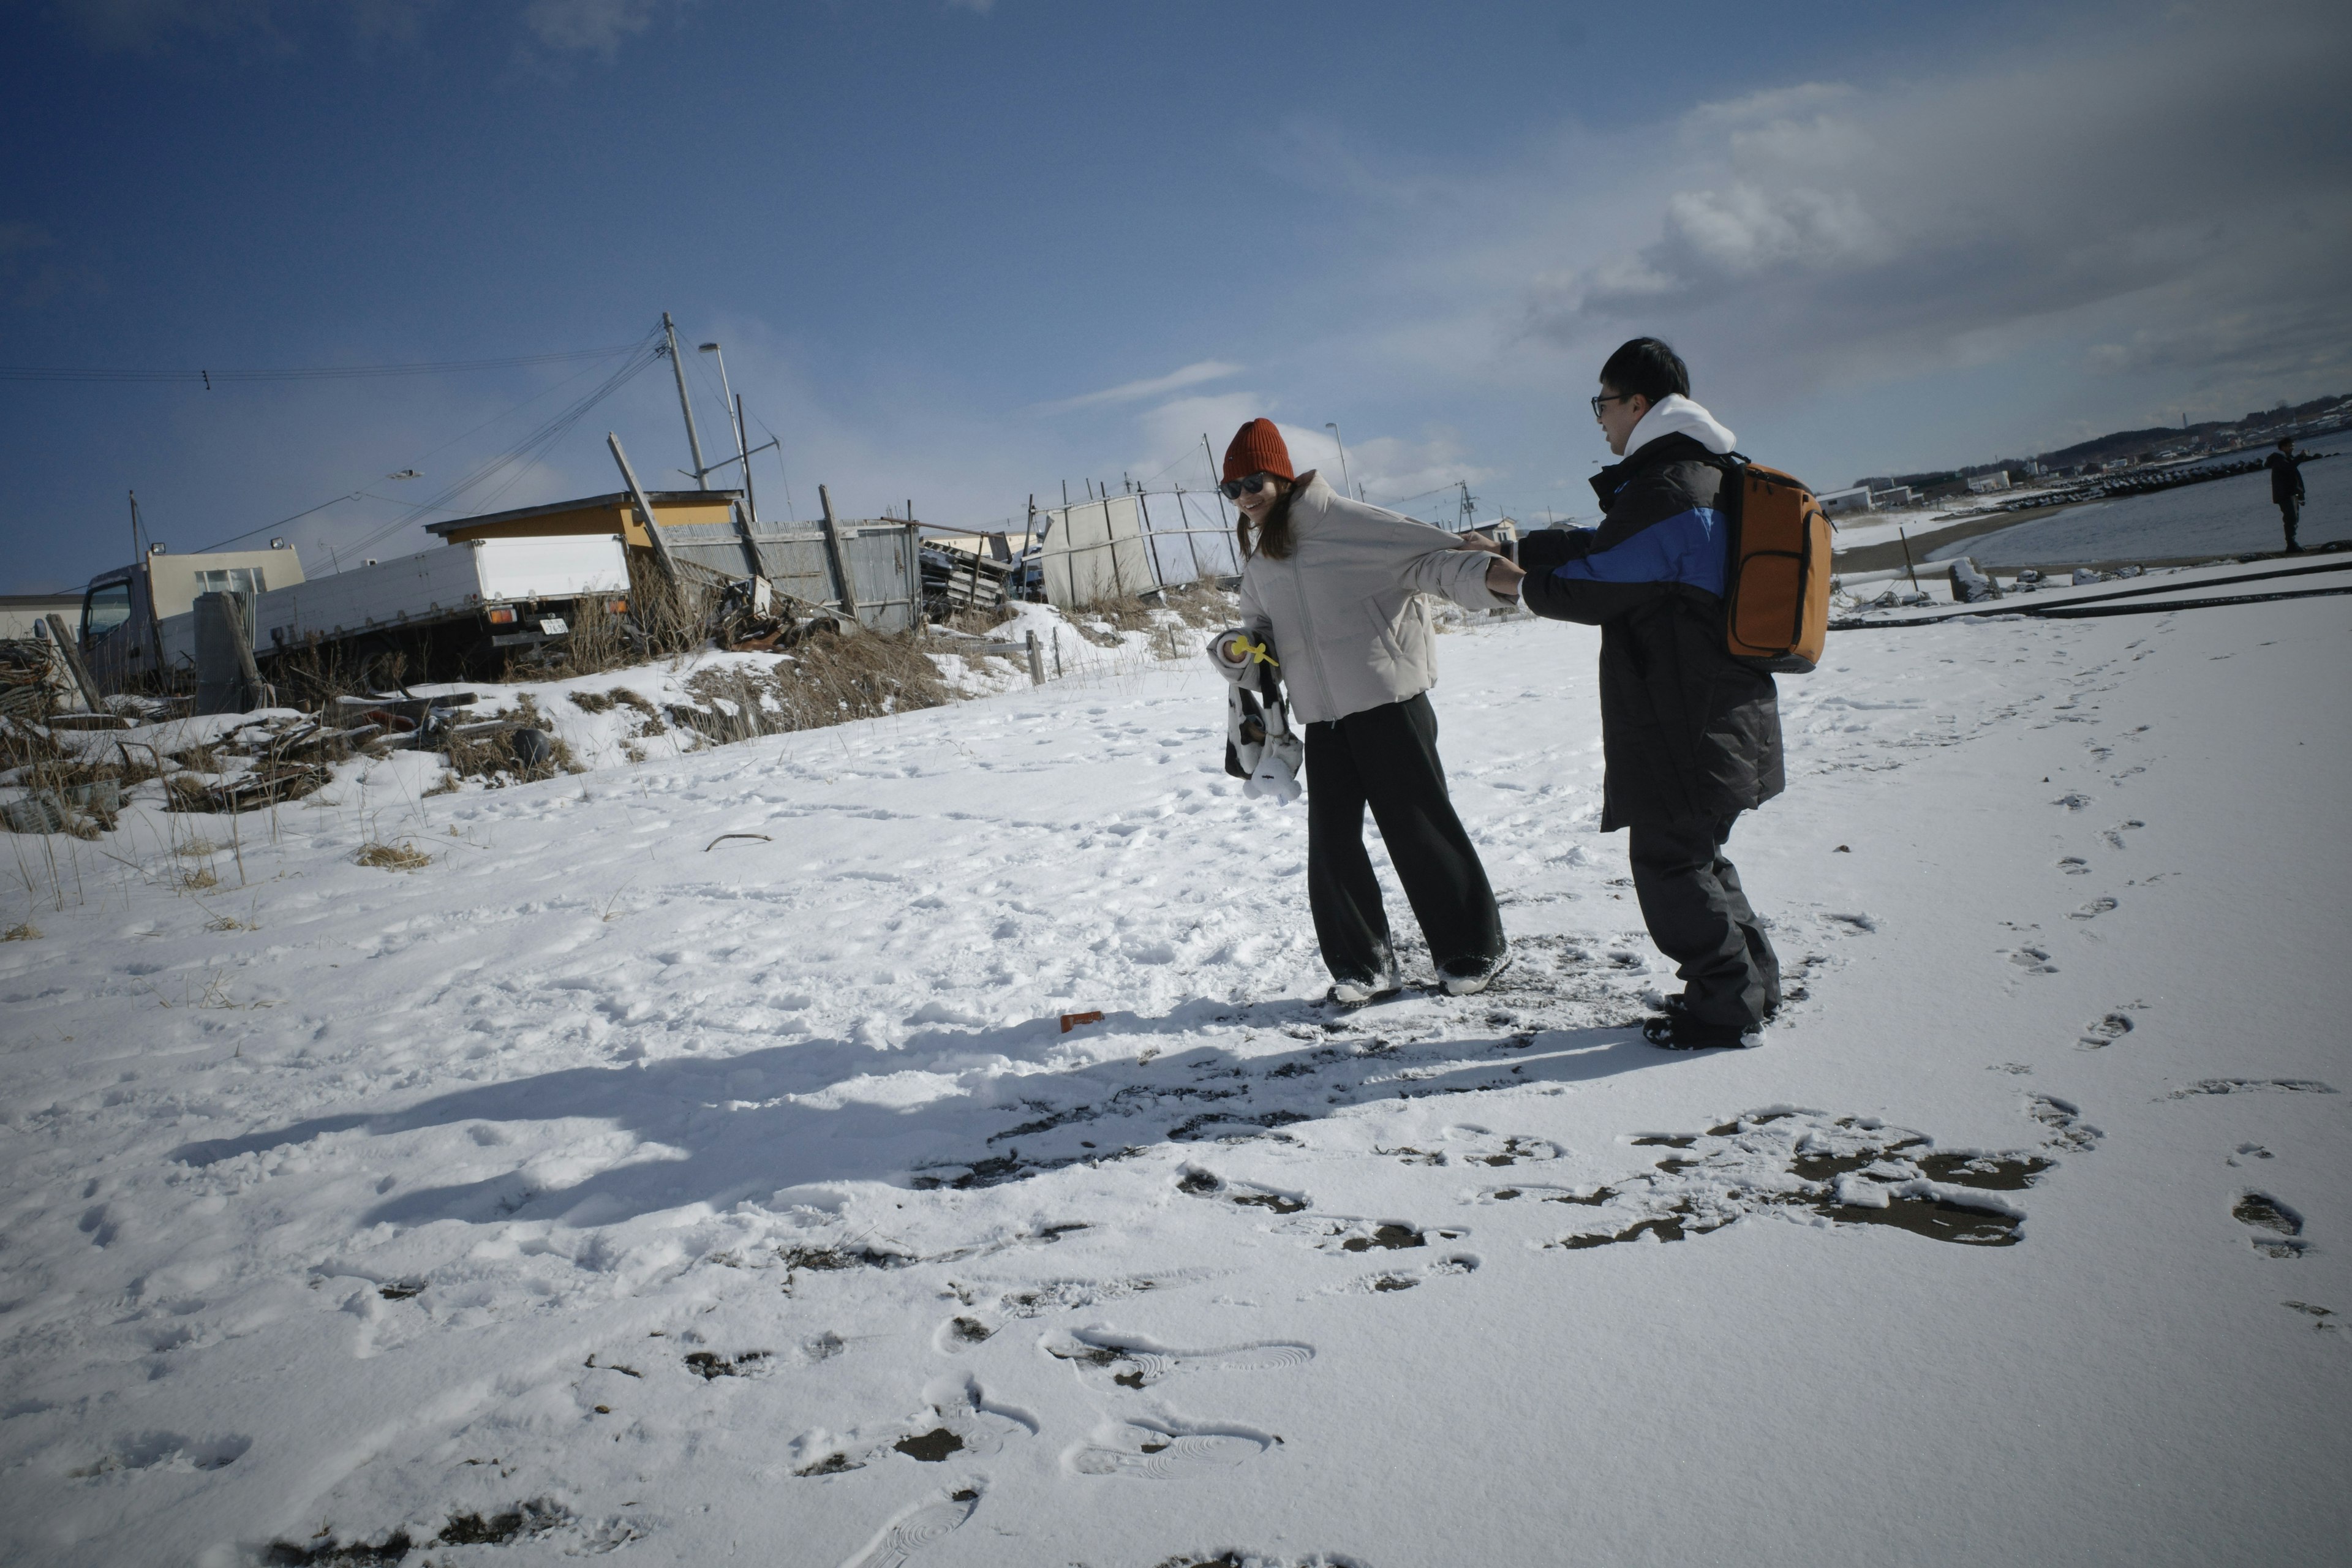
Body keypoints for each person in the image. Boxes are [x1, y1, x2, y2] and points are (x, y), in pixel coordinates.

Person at [1511, 339, 1784, 1049]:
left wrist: (1514, 585)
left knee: (1670, 861)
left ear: (1639, 404)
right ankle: (1751, 987)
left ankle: (1726, 1008)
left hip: (1686, 716)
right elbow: (1607, 545)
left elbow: (1598, 582)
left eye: (1603, 403)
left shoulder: (1669, 488)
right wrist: (1520, 547)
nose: (1599, 419)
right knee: (1698, 853)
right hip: (1718, 708)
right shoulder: (1703, 475)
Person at [1223, 417, 1524, 1005]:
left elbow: (1439, 560)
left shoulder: (1353, 525)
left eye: (1254, 481)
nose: (1245, 497)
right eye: (1231, 489)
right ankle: (1364, 966)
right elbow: (1259, 632)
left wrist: (1500, 579)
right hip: (1323, 718)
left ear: (1282, 476)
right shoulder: (1263, 560)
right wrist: (1235, 651)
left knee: (1420, 832)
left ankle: (1474, 951)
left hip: (1390, 706)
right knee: (1332, 846)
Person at [2267, 437, 2305, 553]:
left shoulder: (2286, 459)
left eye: (2293, 446)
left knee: (2294, 518)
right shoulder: (2279, 459)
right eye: (2290, 446)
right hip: (2285, 495)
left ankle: (2292, 543)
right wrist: (2301, 457)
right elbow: (2289, 469)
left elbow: (2295, 477)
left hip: (2291, 494)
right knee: (2291, 518)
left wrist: (2301, 494)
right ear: (2283, 447)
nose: (2292, 448)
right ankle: (2291, 544)